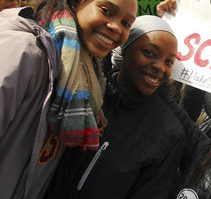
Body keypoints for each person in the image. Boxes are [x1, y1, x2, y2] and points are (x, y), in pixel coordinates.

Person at [0, 0, 137, 198]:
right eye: (106, 10)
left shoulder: (89, 78)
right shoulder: (25, 51)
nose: (116, 27)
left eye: (126, 23)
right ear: (76, 0)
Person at [45, 15, 185, 199]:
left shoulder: (169, 132)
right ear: (125, 49)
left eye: (169, 61)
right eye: (150, 53)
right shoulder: (83, 93)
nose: (160, 67)